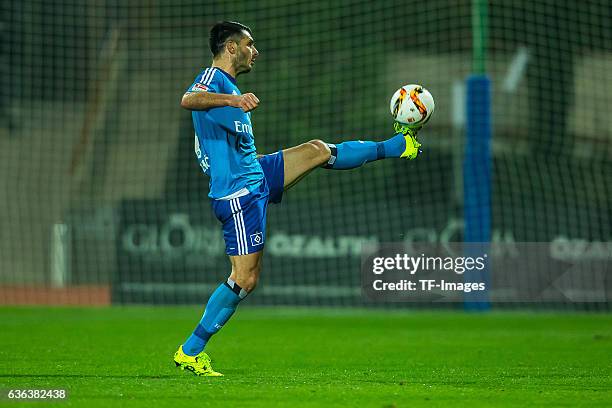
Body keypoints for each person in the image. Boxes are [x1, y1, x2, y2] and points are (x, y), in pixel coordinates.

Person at [173, 21, 423, 376]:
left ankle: (399, 145)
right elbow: (188, 99)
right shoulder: (214, 79)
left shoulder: (228, 85)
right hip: (239, 194)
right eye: (249, 44)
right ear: (230, 48)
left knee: (318, 150)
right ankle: (191, 351)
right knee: (245, 279)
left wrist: (234, 100)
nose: (254, 51)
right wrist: (234, 100)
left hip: (255, 173)